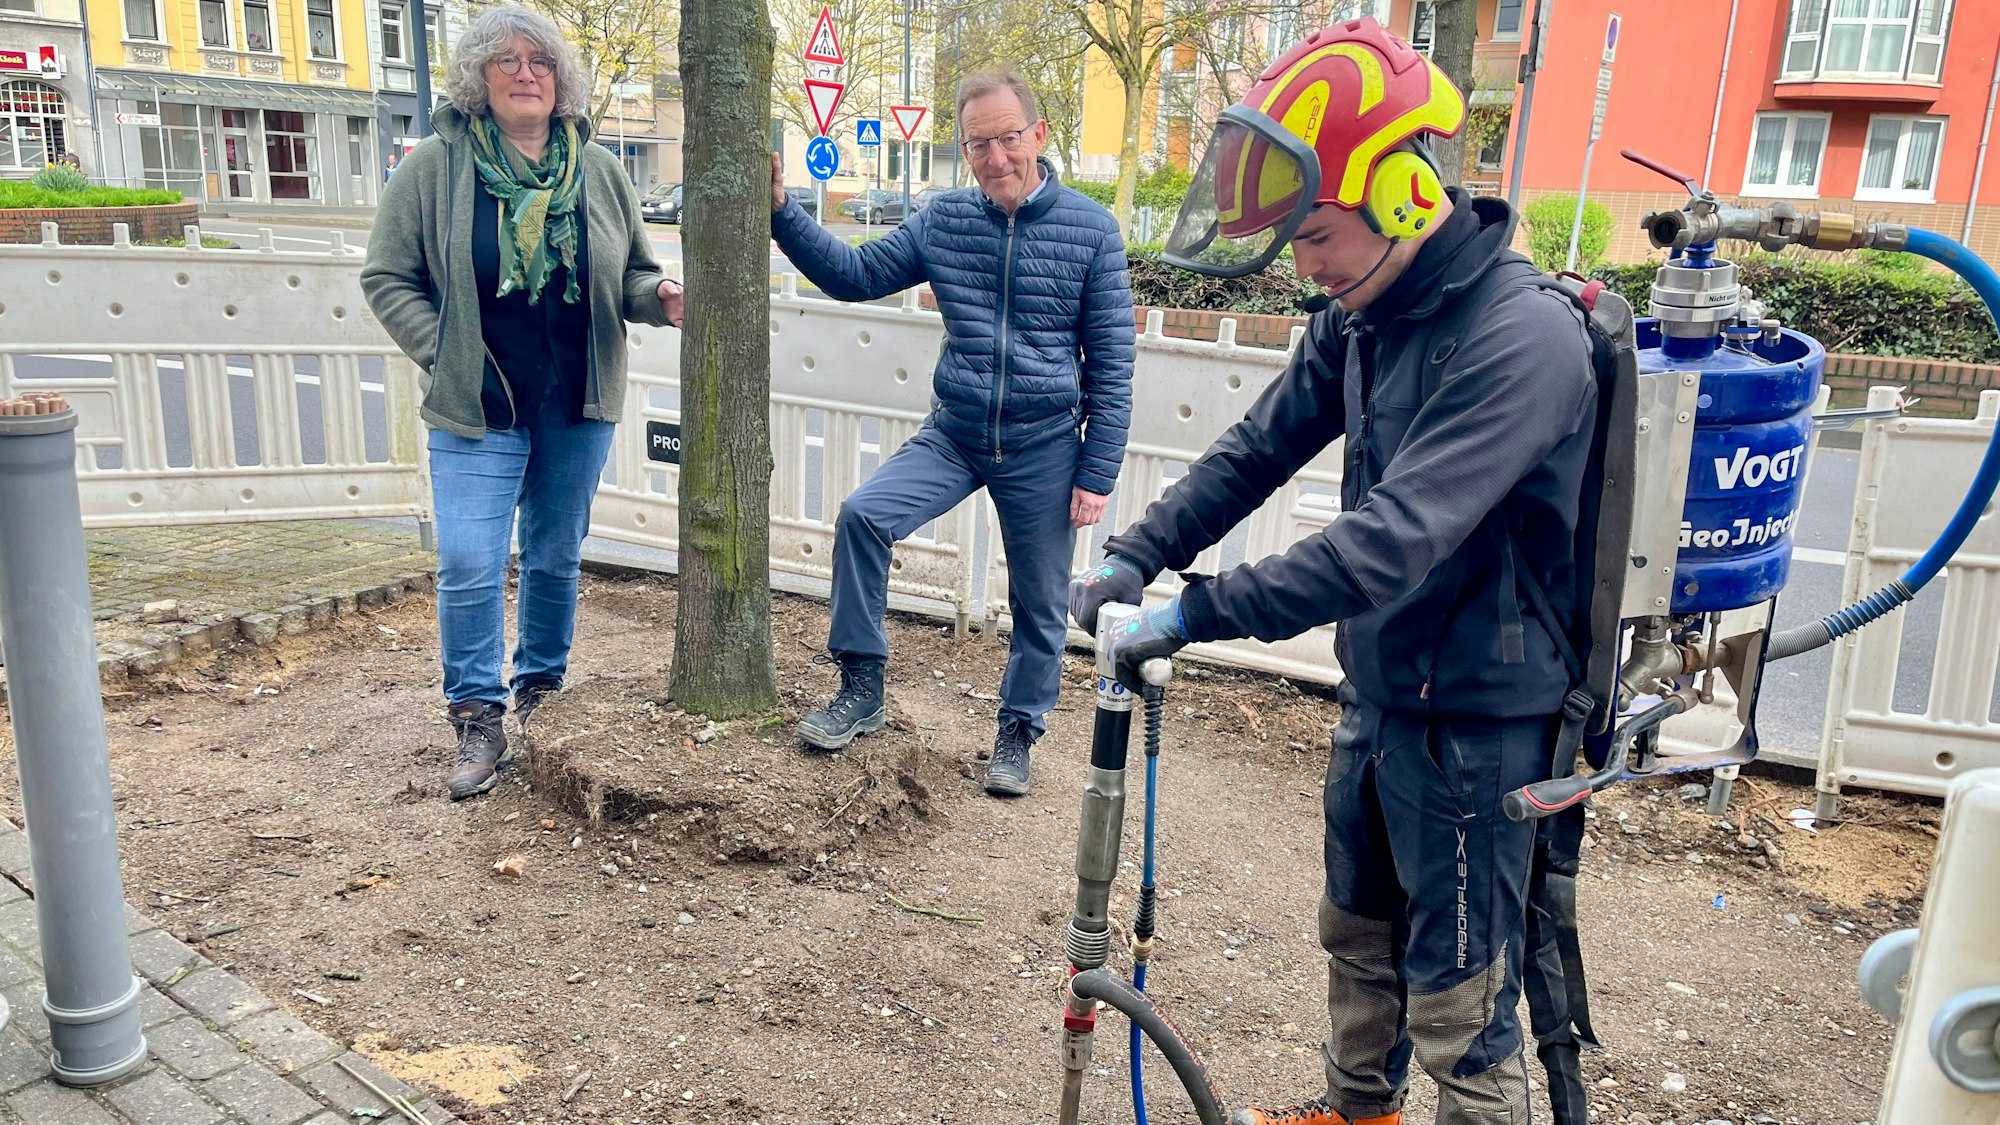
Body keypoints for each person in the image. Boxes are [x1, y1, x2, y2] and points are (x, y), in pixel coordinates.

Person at [1071, 18, 1597, 1125]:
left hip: (1477, 725)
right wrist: (1138, 551)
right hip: (1381, 695)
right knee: (1356, 940)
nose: (1302, 266)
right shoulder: (1364, 313)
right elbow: (1257, 448)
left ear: (1405, 196)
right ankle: (1356, 1115)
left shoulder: (1521, 339)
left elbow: (1390, 539)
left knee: (1462, 1007)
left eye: (1313, 235)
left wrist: (1195, 613)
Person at [769, 64, 1134, 798]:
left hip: (1044, 442)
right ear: (964, 151)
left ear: (1038, 134)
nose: (995, 158)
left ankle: (1017, 731)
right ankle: (862, 686)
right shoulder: (945, 219)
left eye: (1007, 139)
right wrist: (781, 208)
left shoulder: (1091, 229)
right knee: (863, 516)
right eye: (977, 145)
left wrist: (1096, 473)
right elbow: (854, 273)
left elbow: (1115, 365)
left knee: (1038, 599)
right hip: (958, 429)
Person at [360, 4, 684, 802]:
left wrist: (662, 294)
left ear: (560, 78)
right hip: (478, 401)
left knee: (552, 554)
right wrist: (446, 352)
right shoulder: (434, 168)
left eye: (539, 61)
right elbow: (386, 277)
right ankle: (476, 713)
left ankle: (540, 689)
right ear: (478, 76)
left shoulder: (598, 170)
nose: (525, 74)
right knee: (471, 560)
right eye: (505, 61)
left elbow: (633, 275)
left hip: (576, 398)